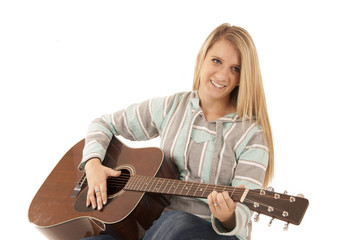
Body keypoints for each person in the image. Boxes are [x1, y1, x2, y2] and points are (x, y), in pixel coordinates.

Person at [79, 23, 274, 240]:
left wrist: (228, 216)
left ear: (242, 77)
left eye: (235, 68)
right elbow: (103, 124)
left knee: (176, 222)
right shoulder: (172, 107)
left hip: (212, 233)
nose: (222, 75)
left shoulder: (252, 135)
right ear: (201, 59)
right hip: (156, 230)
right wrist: (93, 164)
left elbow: (244, 210)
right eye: (216, 61)